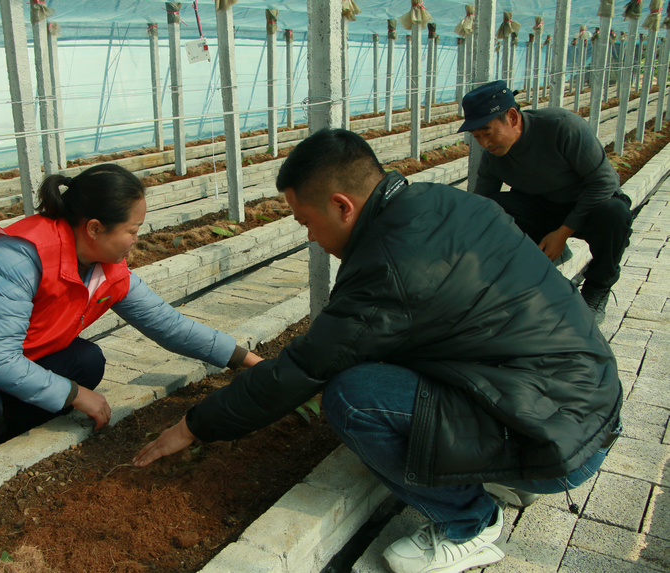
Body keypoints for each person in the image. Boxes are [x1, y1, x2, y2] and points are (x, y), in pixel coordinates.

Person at [132, 129, 621, 573]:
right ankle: (514, 466)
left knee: (352, 395)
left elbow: (305, 366)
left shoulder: (388, 268)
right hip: (583, 403)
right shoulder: (444, 203)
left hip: (559, 436)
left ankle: (470, 523)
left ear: (343, 206)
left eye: (307, 220)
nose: (310, 238)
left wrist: (195, 424)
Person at [0, 164, 261, 475]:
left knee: (85, 361)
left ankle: (7, 442)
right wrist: (73, 395)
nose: (136, 239)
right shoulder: (21, 256)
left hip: (4, 356)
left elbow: (168, 325)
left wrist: (246, 361)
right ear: (95, 228)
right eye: (132, 230)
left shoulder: (107, 270)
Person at [460, 80, 633, 323]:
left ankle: (597, 290)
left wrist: (561, 234)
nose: (484, 143)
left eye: (487, 132)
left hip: (587, 206)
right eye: (476, 136)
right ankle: (528, 281)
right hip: (541, 207)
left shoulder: (561, 127)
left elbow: (604, 183)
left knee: (615, 214)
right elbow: (481, 206)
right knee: (495, 209)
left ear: (511, 116)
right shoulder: (493, 156)